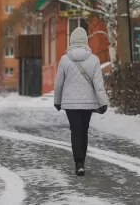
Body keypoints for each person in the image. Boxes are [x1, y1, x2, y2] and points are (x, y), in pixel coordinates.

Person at [54, 27, 108, 176]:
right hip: (88, 103)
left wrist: (57, 101)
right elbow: (98, 84)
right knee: (84, 131)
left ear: (71, 40)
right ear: (85, 40)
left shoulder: (64, 60)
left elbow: (58, 83)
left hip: (70, 104)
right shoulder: (94, 59)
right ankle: (82, 162)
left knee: (75, 131)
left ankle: (78, 163)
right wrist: (103, 102)